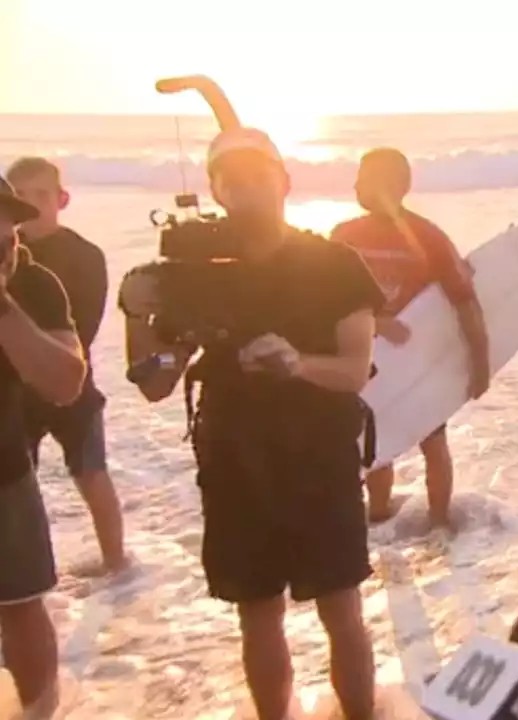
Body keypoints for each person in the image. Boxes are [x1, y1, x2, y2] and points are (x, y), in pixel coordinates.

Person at [118, 128, 384, 720]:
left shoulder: (335, 265)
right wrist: (138, 317)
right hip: (235, 462)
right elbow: (158, 379)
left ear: (285, 183)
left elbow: (355, 369)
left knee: (342, 610)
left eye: (259, 179)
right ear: (215, 189)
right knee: (257, 615)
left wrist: (296, 363)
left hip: (319, 460)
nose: (248, 192)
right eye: (232, 182)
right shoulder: (195, 272)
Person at [331, 147, 490, 528]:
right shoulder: (343, 236)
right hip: (364, 357)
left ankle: (438, 524)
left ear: (397, 185)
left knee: (432, 442)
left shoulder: (428, 237)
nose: (355, 184)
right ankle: (380, 515)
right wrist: (376, 321)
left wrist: (481, 361)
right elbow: (325, 301)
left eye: (364, 176)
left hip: (418, 359)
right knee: (374, 440)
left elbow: (465, 300)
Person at [6, 156, 127, 574]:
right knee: (21, 483)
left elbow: (86, 327)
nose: (31, 204)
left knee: (91, 472)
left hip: (72, 383)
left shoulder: (84, 255)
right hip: (14, 394)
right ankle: (31, 568)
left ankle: (117, 566)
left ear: (62, 199)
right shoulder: (9, 256)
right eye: (20, 195)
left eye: (41, 195)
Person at [0, 177, 87, 714]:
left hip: (4, 474)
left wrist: (3, 309)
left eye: (5, 232)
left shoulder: (33, 285)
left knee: (20, 606)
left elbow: (65, 382)